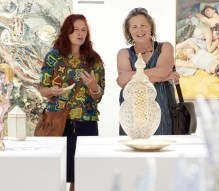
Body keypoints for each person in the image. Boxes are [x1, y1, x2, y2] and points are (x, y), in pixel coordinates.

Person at [38, 14, 105, 191]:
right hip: (59, 122)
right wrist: (51, 91)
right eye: (76, 29)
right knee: (55, 172)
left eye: (84, 29)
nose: (80, 33)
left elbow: (98, 96)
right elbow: (42, 89)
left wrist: (93, 86)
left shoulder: (94, 60)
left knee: (83, 174)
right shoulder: (53, 57)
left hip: (87, 123)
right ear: (66, 31)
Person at [117, 7, 180, 135]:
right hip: (132, 115)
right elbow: (122, 81)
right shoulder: (124, 53)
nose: (139, 30)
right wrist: (161, 76)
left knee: (161, 152)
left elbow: (161, 72)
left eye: (143, 25)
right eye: (134, 27)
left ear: (150, 26)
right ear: (128, 31)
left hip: (161, 111)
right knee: (132, 152)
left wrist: (161, 74)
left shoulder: (165, 47)